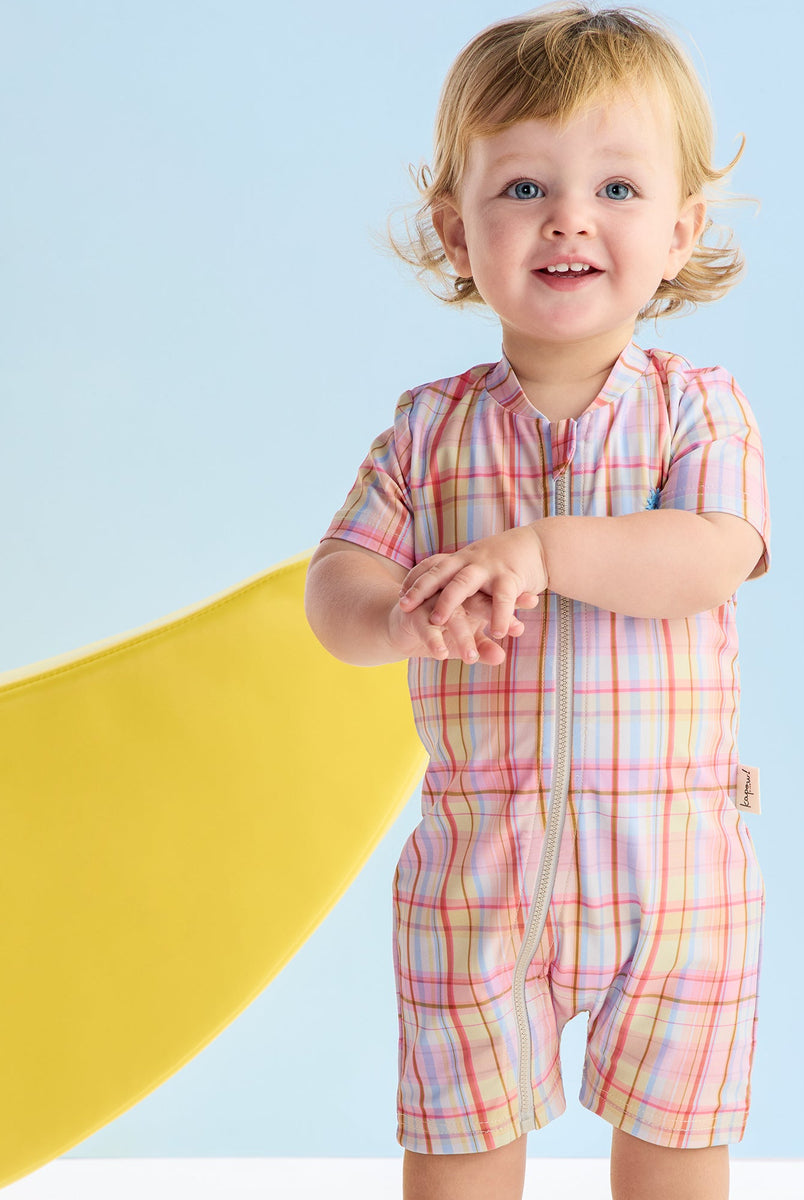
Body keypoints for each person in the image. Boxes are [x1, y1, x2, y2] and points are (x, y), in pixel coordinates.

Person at [304, 4, 771, 1197]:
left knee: (675, 1152)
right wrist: (394, 614)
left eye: (618, 187)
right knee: (457, 1151)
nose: (569, 216)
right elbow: (335, 583)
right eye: (523, 189)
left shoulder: (696, 409)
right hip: (478, 870)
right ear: (455, 230)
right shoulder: (428, 430)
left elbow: (714, 554)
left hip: (676, 872)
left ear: (681, 230)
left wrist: (546, 551)